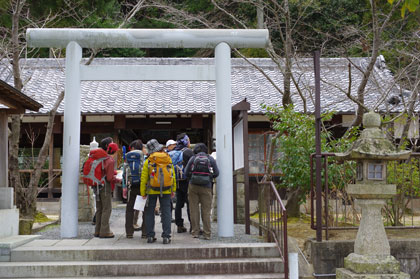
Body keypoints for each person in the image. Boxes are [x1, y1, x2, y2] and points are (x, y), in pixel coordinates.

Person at [140, 139, 176, 244]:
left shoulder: (149, 161)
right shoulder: (167, 158)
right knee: (166, 212)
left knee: (149, 212)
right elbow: (172, 175)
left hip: (151, 189)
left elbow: (144, 178)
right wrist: (173, 189)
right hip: (166, 189)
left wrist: (143, 192)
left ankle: (150, 236)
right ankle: (166, 236)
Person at [185, 143, 219, 240]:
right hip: (206, 187)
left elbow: (186, 172)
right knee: (206, 211)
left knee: (194, 210)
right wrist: (208, 178)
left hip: (193, 186)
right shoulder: (210, 159)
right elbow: (217, 173)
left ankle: (195, 232)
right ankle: (207, 234)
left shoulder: (193, 158)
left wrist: (192, 177)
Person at [93, 137, 120, 238]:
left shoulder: (99, 157)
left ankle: (97, 230)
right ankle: (105, 231)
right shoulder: (109, 160)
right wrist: (117, 179)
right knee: (107, 209)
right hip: (104, 187)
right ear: (107, 146)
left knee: (99, 208)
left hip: (96, 185)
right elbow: (109, 178)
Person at [171, 133, 193, 233]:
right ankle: (193, 225)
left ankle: (179, 225)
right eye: (188, 140)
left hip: (177, 180)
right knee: (190, 203)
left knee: (179, 203)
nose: (189, 141)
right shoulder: (188, 152)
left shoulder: (174, 151)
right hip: (187, 180)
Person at [123, 139, 145, 239]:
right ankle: (145, 233)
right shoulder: (143, 158)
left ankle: (129, 232)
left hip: (130, 185)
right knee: (146, 209)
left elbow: (124, 174)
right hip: (142, 186)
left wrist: (124, 187)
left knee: (129, 209)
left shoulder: (128, 157)